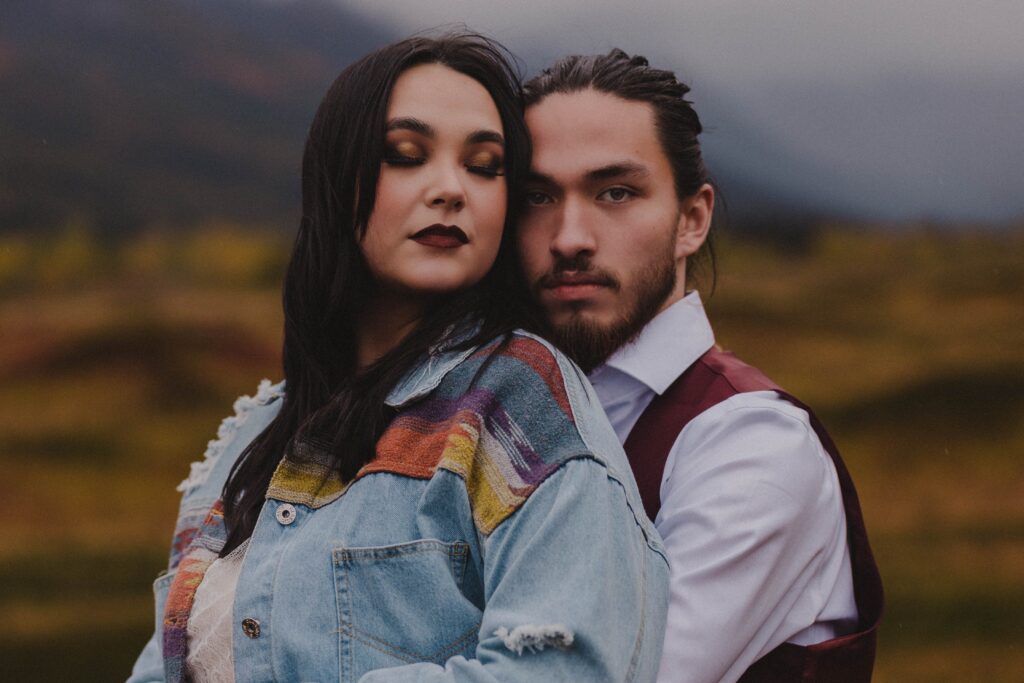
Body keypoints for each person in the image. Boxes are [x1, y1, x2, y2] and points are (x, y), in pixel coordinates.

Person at [127, 35, 669, 683]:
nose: (450, 189)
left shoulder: (522, 401)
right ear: (337, 178)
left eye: (485, 165)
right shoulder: (254, 432)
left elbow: (565, 667)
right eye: (404, 155)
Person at [516, 50, 883, 683]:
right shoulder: (510, 413)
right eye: (538, 196)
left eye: (615, 193)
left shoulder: (752, 448)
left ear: (692, 219)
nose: (570, 236)